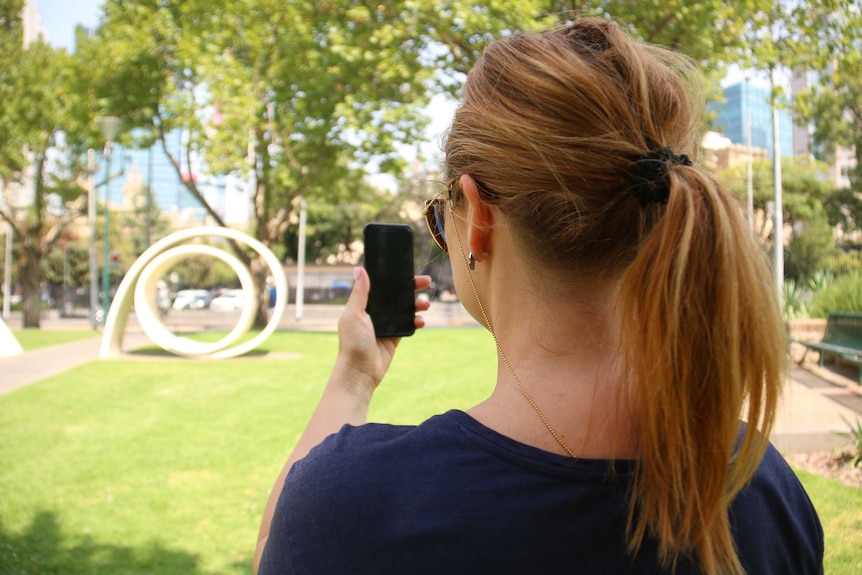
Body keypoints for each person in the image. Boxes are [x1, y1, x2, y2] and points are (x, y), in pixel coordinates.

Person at [255, 18, 823, 575]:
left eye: (439, 218)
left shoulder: (358, 503)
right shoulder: (762, 487)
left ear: (477, 215)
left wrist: (352, 378)